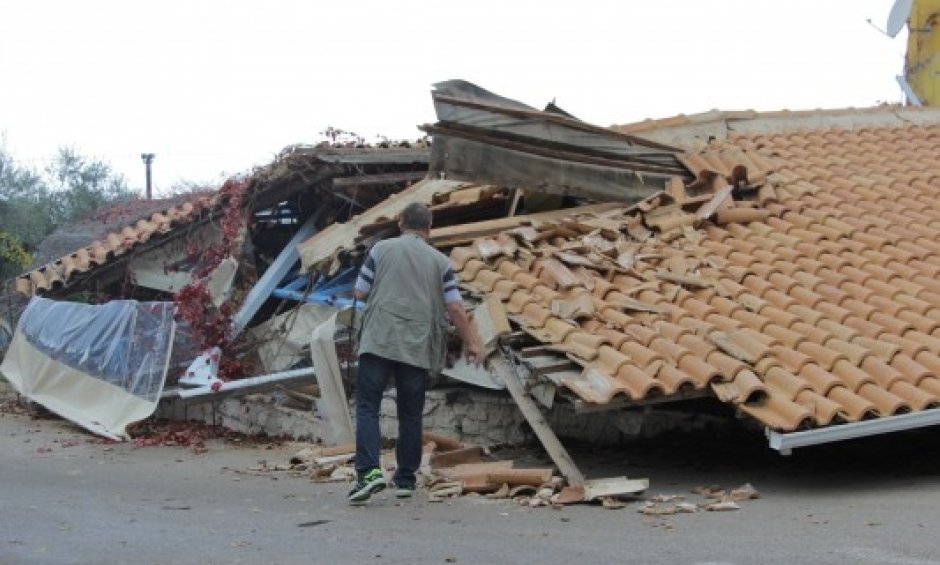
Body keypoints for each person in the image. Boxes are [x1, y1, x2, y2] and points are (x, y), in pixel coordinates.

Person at [347, 202, 484, 504]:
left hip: (380, 338)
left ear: (400, 223)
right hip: (417, 343)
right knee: (410, 413)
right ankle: (406, 478)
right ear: (429, 228)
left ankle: (368, 473)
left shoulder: (381, 250)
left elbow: (359, 291)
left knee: (368, 406)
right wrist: (473, 342)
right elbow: (455, 306)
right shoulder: (440, 262)